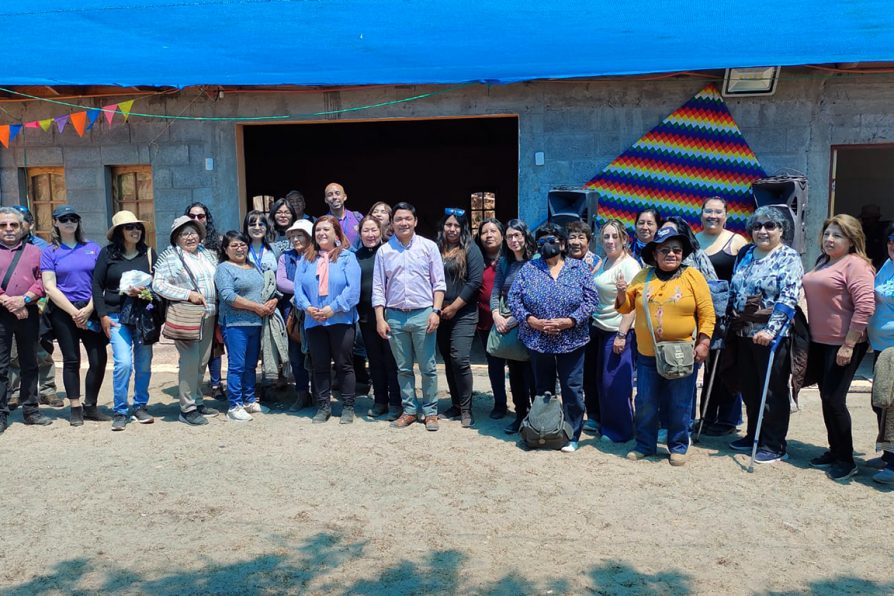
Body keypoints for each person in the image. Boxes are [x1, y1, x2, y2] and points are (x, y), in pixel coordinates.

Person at [617, 226, 714, 465]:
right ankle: (645, 445)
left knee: (680, 402)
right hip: (648, 354)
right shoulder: (643, 276)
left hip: (682, 353)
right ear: (655, 254)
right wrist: (620, 293)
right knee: (646, 401)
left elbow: (707, 313)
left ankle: (678, 446)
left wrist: (704, 342)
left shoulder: (693, 276)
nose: (671, 254)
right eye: (665, 250)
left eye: (676, 250)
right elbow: (625, 307)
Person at [508, 223, 598, 452]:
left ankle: (571, 434)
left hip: (572, 340)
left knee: (572, 387)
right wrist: (531, 320)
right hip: (538, 340)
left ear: (563, 243)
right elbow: (514, 300)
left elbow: (591, 300)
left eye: (553, 240)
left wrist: (570, 321)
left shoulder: (578, 269)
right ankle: (545, 431)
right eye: (543, 242)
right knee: (543, 389)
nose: (548, 245)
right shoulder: (529, 268)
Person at [725, 206, 803, 463]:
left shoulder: (788, 257)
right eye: (757, 226)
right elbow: (736, 289)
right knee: (750, 387)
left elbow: (789, 296)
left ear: (781, 230)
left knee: (772, 390)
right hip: (743, 333)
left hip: (772, 336)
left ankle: (774, 443)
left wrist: (771, 330)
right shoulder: (746, 253)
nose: (763, 231)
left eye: (770, 226)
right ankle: (753, 433)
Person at [803, 214, 876, 481]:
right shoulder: (824, 261)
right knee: (826, 398)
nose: (830, 239)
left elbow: (865, 306)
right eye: (827, 234)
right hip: (820, 342)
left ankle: (846, 459)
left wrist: (849, 344)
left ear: (852, 240)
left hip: (843, 343)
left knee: (835, 400)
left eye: (837, 235)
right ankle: (834, 451)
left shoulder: (856, 265)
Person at [372, 202, 446, 431]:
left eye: (407, 219)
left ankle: (431, 412)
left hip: (423, 313)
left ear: (415, 221)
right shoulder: (384, 251)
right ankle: (410, 410)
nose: (403, 223)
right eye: (398, 219)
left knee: (428, 367)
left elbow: (439, 283)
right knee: (403, 368)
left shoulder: (428, 247)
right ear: (392, 223)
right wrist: (380, 318)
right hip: (394, 316)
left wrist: (436, 311)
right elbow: (378, 288)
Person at [41, 205, 108, 426]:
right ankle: (75, 407)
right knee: (71, 360)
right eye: (64, 219)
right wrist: (73, 312)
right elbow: (50, 287)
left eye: (73, 218)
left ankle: (91, 406)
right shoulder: (50, 252)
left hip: (91, 308)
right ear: (56, 223)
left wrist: (89, 309)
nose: (69, 222)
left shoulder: (93, 248)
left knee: (98, 359)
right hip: (63, 311)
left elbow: (101, 282)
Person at [92, 210, 157, 431]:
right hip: (116, 315)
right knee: (123, 363)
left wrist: (145, 292)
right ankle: (120, 410)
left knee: (144, 364)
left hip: (142, 316)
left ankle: (140, 405)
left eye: (138, 227)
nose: (135, 230)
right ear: (120, 232)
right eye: (129, 227)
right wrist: (102, 315)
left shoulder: (148, 253)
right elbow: (97, 286)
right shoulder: (107, 254)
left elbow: (157, 284)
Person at [152, 216, 220, 426]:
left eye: (193, 232)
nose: (190, 237)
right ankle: (187, 408)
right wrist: (187, 294)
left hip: (209, 314)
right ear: (176, 237)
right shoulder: (169, 257)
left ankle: (197, 401)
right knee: (190, 361)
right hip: (186, 314)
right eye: (184, 234)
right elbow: (158, 285)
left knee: (201, 361)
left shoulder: (208, 254)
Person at [293, 216, 361, 423]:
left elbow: (353, 291)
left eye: (326, 229)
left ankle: (348, 406)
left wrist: (333, 308)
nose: (321, 233)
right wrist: (308, 307)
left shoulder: (348, 258)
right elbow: (298, 289)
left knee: (344, 364)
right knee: (319, 365)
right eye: (318, 230)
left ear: (337, 234)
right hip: (314, 321)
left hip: (340, 319)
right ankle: (323, 406)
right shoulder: (306, 259)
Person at [695, 197, 748, 435]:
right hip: (701, 313)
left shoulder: (736, 241)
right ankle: (707, 415)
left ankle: (728, 418)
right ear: (701, 214)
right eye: (708, 211)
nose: (712, 216)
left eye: (718, 212)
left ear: (726, 215)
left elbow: (744, 276)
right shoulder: (694, 241)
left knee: (726, 365)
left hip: (728, 314)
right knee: (707, 367)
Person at [585, 219, 640, 442]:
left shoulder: (630, 265)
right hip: (599, 328)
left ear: (624, 239)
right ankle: (607, 425)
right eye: (606, 236)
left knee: (615, 383)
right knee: (601, 380)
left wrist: (621, 334)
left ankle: (620, 431)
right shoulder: (605, 262)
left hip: (618, 331)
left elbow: (633, 304)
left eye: (615, 236)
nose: (610, 241)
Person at [215, 231, 278, 422]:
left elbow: (266, 289)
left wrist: (273, 300)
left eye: (242, 244)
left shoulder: (253, 266)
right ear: (225, 249)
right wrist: (257, 307)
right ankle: (234, 405)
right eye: (234, 245)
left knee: (251, 366)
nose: (240, 248)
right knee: (237, 366)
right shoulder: (224, 268)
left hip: (256, 323)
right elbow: (228, 296)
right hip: (235, 324)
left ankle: (249, 400)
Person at [0, 207, 51, 434]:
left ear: (23, 227)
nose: (9, 229)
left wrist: (24, 299)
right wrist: (9, 302)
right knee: (0, 366)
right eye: (3, 225)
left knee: (30, 363)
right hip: (2, 313)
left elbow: (42, 281)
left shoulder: (35, 252)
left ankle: (31, 410)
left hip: (27, 312)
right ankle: (1, 414)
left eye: (13, 225)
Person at [436, 208, 483, 428]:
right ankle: (455, 405)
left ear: (463, 227)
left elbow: (475, 282)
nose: (452, 229)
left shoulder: (471, 249)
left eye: (456, 225)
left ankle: (466, 409)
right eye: (448, 225)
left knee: (460, 358)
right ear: (443, 226)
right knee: (447, 358)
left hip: (463, 311)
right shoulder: (435, 248)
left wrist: (454, 307)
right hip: (440, 312)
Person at [8, 204, 57, 408]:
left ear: (29, 224)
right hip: (9, 308)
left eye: (22, 221)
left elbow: (45, 280)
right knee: (12, 353)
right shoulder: (5, 246)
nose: (13, 227)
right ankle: (15, 391)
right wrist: (12, 303)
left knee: (41, 350)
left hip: (38, 308)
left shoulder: (41, 247)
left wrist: (35, 303)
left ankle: (47, 390)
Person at [492, 219, 537, 434]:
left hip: (532, 326)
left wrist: (516, 319)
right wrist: (495, 315)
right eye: (509, 236)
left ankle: (537, 419)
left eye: (517, 235)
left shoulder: (536, 261)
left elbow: (538, 296)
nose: (513, 240)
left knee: (535, 375)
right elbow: (496, 290)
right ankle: (520, 415)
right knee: (516, 374)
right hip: (508, 324)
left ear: (525, 236)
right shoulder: (504, 261)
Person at [356, 216, 401, 420]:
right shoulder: (355, 257)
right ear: (360, 233)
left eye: (374, 230)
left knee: (392, 361)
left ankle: (396, 402)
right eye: (366, 231)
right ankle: (380, 401)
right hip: (366, 317)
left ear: (381, 231)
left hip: (389, 315)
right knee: (374, 361)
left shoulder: (389, 252)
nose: (370, 234)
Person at [185, 202, 225, 401]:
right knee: (195, 350)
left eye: (201, 216)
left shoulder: (217, 243)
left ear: (207, 219)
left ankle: (216, 383)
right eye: (192, 216)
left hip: (215, 302)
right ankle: (194, 389)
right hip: (190, 307)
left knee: (215, 346)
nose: (196, 220)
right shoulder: (181, 243)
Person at [275, 219, 314, 407]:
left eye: (300, 235)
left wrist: (302, 290)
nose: (296, 239)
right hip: (292, 313)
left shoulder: (319, 255)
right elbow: (281, 282)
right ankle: (302, 393)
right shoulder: (285, 257)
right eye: (293, 236)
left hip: (315, 311)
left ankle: (320, 393)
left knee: (317, 353)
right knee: (296, 354)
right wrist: (304, 289)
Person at [868, 222, 894, 483]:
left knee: (893, 405)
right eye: (891, 240)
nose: (893, 245)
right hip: (880, 347)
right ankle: (889, 453)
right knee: (882, 403)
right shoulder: (887, 265)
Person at [476, 217, 508, 419]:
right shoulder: (476, 260)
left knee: (517, 364)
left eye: (493, 231)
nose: (489, 235)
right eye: (484, 232)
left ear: (502, 235)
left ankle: (524, 405)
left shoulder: (511, 259)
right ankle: (500, 403)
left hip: (510, 321)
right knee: (494, 365)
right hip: (486, 321)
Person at [324, 182, 363, 247]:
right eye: (330, 195)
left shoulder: (357, 217)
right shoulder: (323, 222)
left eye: (337, 193)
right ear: (326, 200)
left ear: (345, 197)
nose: (334, 197)